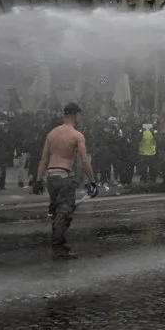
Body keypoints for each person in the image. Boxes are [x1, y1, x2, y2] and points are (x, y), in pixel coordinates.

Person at [35, 102, 96, 260]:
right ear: (75, 115)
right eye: (79, 115)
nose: (80, 117)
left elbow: (43, 158)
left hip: (51, 176)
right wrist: (92, 180)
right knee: (65, 212)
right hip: (64, 176)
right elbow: (84, 160)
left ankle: (60, 243)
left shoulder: (52, 133)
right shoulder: (77, 135)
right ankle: (58, 247)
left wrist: (38, 179)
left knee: (55, 212)